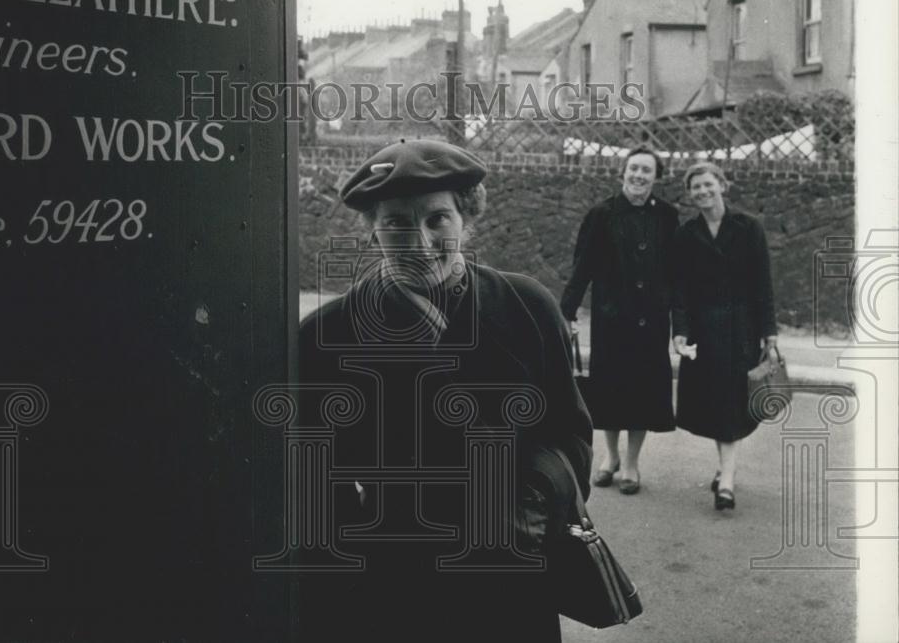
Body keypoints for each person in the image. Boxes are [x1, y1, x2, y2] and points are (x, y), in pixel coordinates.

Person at [297, 139, 593, 643]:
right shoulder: (327, 336)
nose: (418, 240)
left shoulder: (526, 308)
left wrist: (530, 502)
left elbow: (571, 433)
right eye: (395, 223)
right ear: (372, 231)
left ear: (466, 218)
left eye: (437, 219)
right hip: (387, 592)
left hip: (510, 581)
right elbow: (310, 483)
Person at [559, 148, 679, 495]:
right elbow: (582, 267)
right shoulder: (602, 214)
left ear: (656, 177)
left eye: (647, 170)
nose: (639, 175)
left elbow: (676, 273)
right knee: (610, 389)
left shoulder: (668, 217)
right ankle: (609, 458)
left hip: (652, 321)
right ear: (623, 172)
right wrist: (567, 312)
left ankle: (631, 463)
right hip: (612, 319)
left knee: (642, 391)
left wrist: (681, 319)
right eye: (634, 169)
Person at [672, 162, 777, 511]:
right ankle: (725, 471)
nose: (702, 192)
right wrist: (681, 333)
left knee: (733, 404)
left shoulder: (749, 228)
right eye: (695, 188)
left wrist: (770, 336)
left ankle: (727, 481)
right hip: (704, 333)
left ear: (722, 185)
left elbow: (763, 286)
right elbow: (680, 290)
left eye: (708, 184)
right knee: (718, 405)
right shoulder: (687, 235)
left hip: (741, 331)